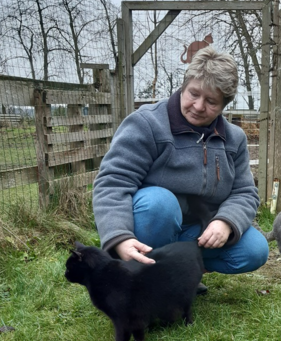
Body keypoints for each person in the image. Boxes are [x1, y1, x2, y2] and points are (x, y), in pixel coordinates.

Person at [92, 47, 269, 284]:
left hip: (198, 229)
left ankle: (183, 273)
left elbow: (244, 192)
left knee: (255, 249)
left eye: (211, 101)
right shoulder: (147, 123)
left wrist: (226, 221)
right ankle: (141, 277)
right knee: (159, 203)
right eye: (194, 94)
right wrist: (119, 236)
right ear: (184, 86)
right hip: (152, 224)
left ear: (224, 105)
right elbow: (113, 183)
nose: (198, 106)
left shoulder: (234, 138)